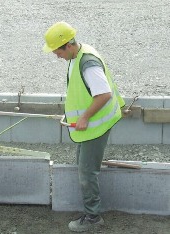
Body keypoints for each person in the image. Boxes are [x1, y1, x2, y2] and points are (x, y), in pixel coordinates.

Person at [43, 22, 125, 232]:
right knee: (82, 165)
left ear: (67, 45)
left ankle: (93, 218)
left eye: (57, 51)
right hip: (90, 124)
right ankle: (91, 211)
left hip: (97, 125)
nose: (56, 56)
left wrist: (85, 117)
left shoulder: (88, 63)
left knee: (87, 172)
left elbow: (104, 94)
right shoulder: (77, 55)